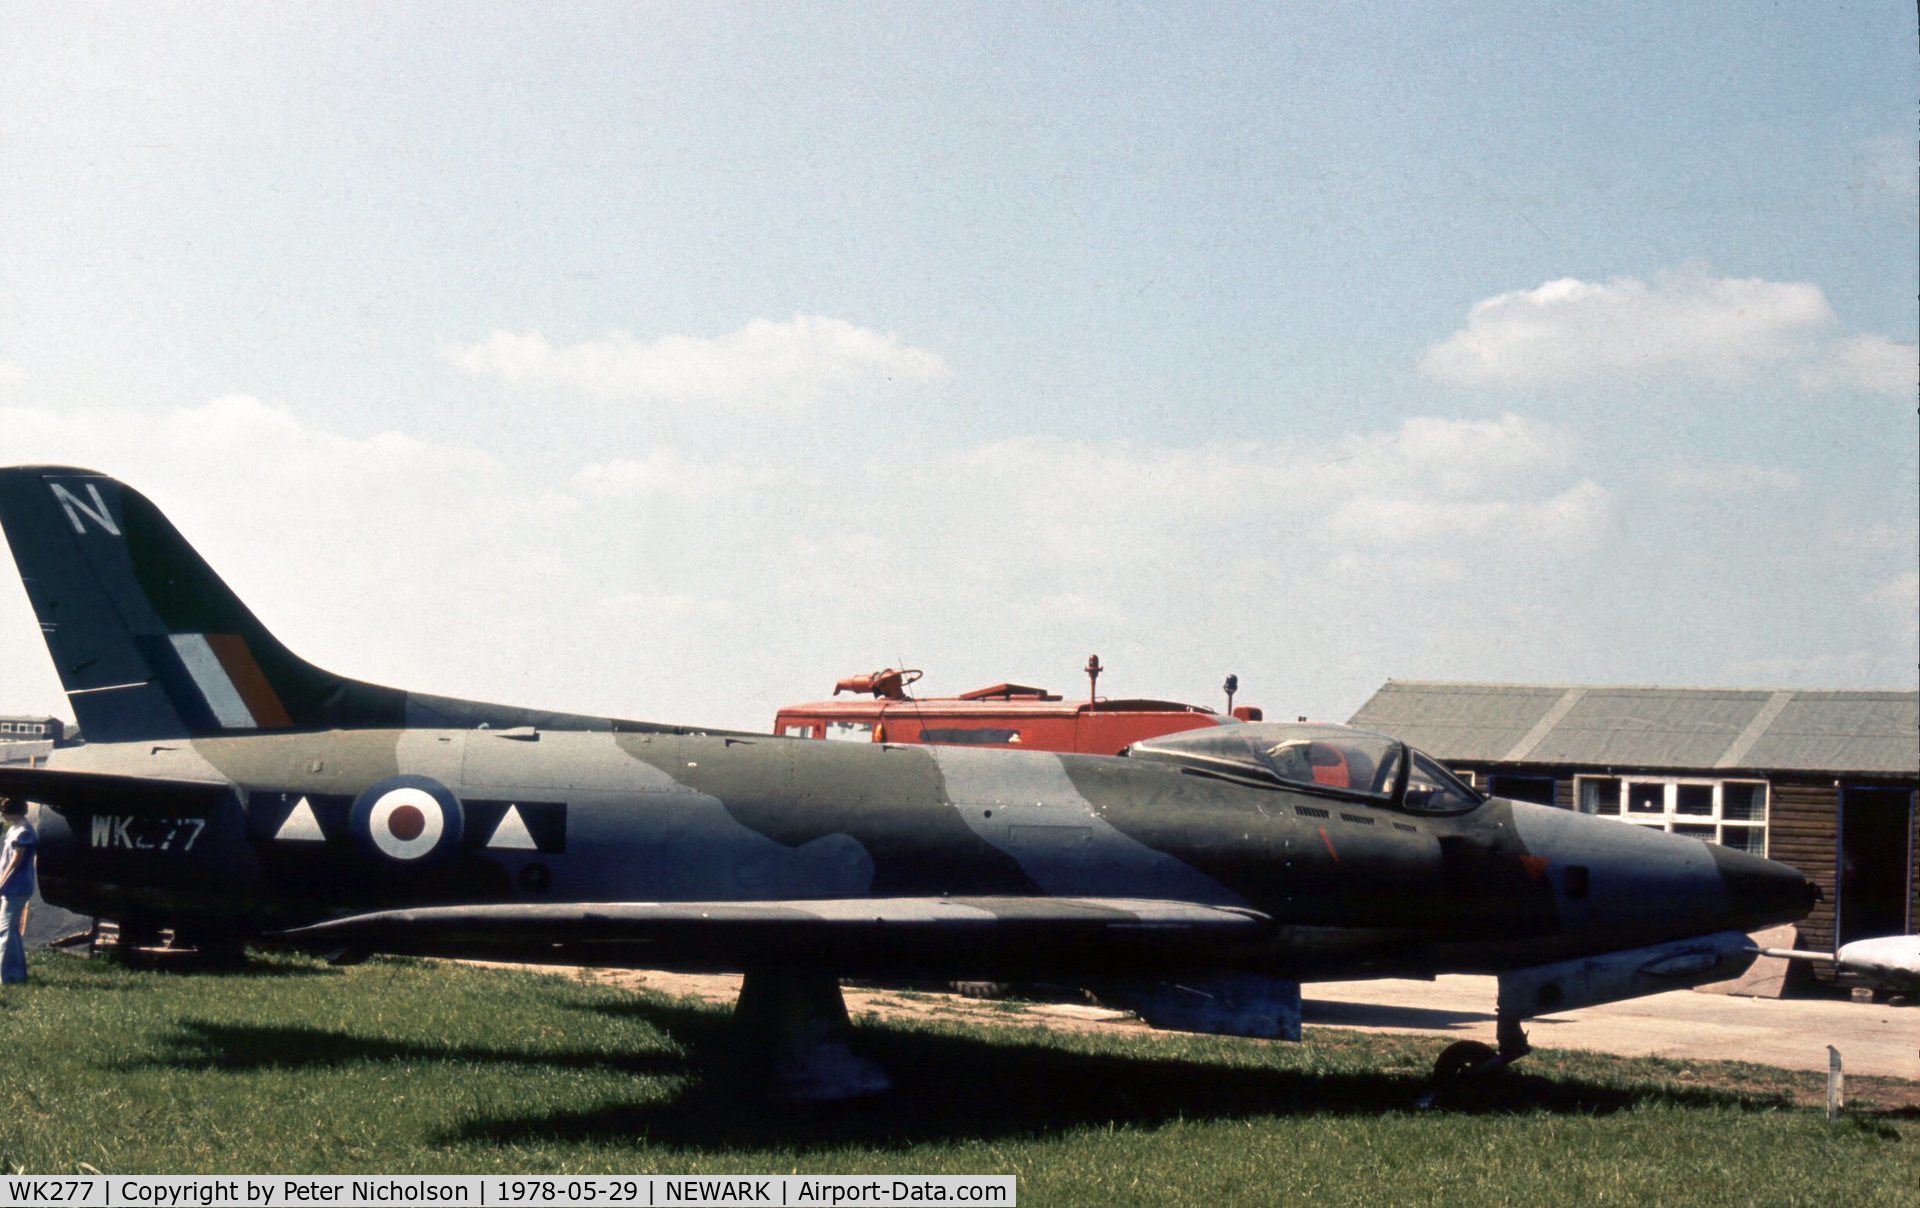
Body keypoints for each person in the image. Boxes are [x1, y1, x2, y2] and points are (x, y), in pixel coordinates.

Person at [0, 798, 36, 985]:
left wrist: (2, 881)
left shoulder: (24, 832)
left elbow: (16, 860)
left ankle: (5, 976)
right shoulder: (14, 829)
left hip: (17, 886)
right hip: (11, 887)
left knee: (5, 930)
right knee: (11, 930)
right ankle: (17, 973)